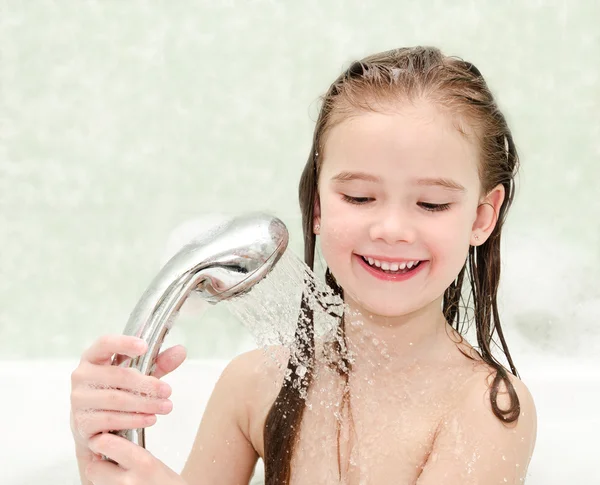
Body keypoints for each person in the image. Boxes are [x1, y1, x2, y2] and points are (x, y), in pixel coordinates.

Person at [70, 46, 537, 485]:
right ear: (317, 207)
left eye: (432, 204)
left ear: (481, 217)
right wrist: (105, 447)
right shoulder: (254, 385)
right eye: (359, 197)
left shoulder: (485, 408)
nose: (392, 229)